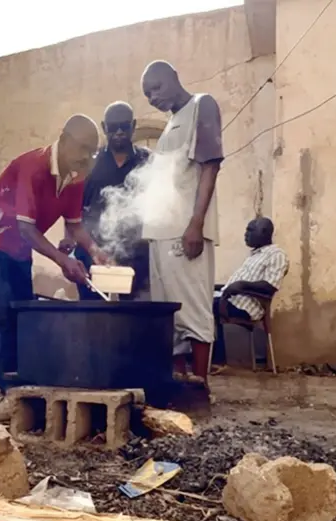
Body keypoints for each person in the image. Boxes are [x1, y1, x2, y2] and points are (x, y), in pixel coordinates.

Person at [0, 114, 106, 403]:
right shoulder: (33, 166)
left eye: (91, 152)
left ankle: (21, 384)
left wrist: (95, 251)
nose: (86, 157)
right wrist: (63, 260)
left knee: (22, 314)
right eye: (82, 148)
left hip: (21, 248)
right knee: (0, 313)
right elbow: (26, 228)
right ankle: (7, 393)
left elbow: (74, 225)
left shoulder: (76, 176)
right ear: (64, 139)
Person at [140, 60, 223, 384]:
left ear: (174, 78)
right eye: (147, 95)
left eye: (156, 88)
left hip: (183, 231)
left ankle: (200, 384)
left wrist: (195, 224)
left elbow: (210, 166)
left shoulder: (202, 105)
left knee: (192, 310)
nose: (153, 98)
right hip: (161, 234)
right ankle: (179, 382)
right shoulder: (170, 124)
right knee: (168, 313)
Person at [59, 102, 151, 300]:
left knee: (135, 312)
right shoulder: (88, 163)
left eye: (124, 126)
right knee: (92, 311)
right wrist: (68, 239)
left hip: (136, 255)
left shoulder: (147, 161)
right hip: (91, 252)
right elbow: (72, 206)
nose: (119, 132)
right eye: (113, 127)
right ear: (103, 127)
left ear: (133, 125)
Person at [214, 216, 289, 363]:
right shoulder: (254, 256)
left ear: (264, 232)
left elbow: (270, 286)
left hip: (246, 306)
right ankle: (210, 360)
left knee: (202, 308)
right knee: (196, 302)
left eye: (250, 230)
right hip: (229, 298)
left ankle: (217, 361)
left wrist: (241, 285)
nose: (245, 234)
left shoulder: (277, 255)